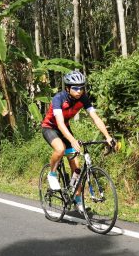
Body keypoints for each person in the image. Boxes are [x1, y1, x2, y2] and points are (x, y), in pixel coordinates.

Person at [41, 70, 116, 213]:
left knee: (77, 169)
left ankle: (77, 201)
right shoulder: (59, 98)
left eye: (81, 87)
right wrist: (72, 140)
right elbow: (60, 124)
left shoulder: (84, 98)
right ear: (67, 88)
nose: (79, 91)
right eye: (75, 88)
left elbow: (95, 117)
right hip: (50, 127)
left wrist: (107, 136)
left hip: (65, 129)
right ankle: (52, 174)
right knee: (60, 148)